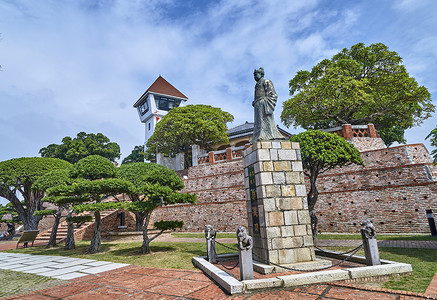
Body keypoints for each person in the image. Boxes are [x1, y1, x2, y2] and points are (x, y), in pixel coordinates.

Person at [251, 67, 284, 142]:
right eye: (254, 75)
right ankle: (259, 136)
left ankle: (271, 136)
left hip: (264, 104)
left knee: (267, 121)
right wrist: (255, 102)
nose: (255, 76)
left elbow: (273, 94)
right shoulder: (256, 85)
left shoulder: (266, 81)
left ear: (261, 74)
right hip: (257, 105)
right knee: (258, 123)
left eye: (256, 74)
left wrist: (266, 102)